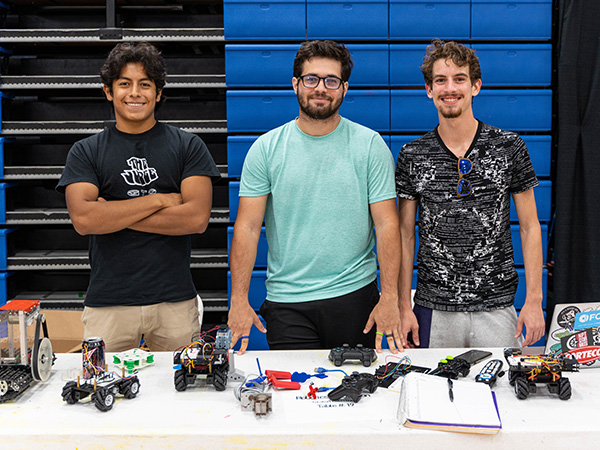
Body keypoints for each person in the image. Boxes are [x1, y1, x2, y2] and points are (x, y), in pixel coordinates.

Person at [228, 40, 403, 355]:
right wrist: (239, 298)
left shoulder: (369, 145)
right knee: (294, 401)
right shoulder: (266, 149)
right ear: (295, 84)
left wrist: (389, 296)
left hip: (355, 297)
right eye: (311, 79)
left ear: (344, 88)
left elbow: (387, 224)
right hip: (287, 304)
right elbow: (248, 227)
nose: (320, 88)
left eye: (331, 81)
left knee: (359, 398)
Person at [57, 42, 220, 352]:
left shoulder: (188, 146)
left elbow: (196, 219)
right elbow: (84, 219)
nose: (135, 93)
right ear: (108, 91)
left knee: (182, 393)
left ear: (158, 93)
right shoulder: (86, 151)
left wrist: (113, 215)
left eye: (145, 84)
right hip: (108, 305)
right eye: (124, 84)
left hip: (175, 302)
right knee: (101, 391)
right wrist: (158, 200)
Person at [396, 39, 545, 348]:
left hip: (497, 306)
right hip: (433, 309)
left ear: (476, 86)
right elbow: (404, 234)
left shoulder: (509, 147)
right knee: (433, 394)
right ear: (429, 90)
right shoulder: (413, 155)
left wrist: (533, 300)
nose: (450, 88)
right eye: (440, 80)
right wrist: (401, 305)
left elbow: (530, 227)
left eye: (459, 79)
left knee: (502, 393)